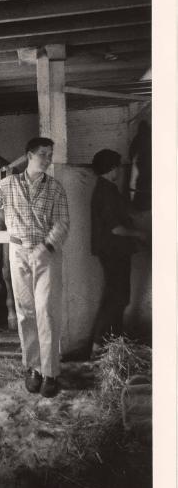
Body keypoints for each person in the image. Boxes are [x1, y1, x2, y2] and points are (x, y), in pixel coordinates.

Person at [0, 137, 69, 398]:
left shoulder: (55, 188)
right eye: (44, 153)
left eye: (50, 154)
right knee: (25, 313)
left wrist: (47, 247)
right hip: (18, 254)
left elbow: (63, 223)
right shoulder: (8, 185)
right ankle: (33, 369)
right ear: (29, 155)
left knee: (47, 312)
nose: (48, 158)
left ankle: (51, 372)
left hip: (46, 255)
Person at [90, 149, 146, 357]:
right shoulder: (106, 192)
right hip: (113, 251)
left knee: (119, 298)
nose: (120, 171)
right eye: (118, 167)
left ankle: (113, 342)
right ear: (112, 168)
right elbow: (115, 228)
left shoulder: (109, 189)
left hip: (115, 251)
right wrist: (139, 234)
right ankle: (98, 347)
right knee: (117, 298)